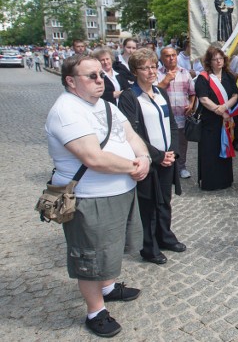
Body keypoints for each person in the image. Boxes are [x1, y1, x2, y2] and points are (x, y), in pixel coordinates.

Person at [46, 54, 150, 337]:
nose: (99, 79)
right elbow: (93, 157)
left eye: (101, 74)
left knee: (112, 246)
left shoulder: (106, 105)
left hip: (122, 190)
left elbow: (129, 134)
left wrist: (143, 157)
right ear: (70, 81)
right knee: (90, 255)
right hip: (91, 197)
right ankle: (95, 310)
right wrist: (133, 166)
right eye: (90, 76)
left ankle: (108, 287)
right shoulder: (66, 110)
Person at [118, 49, 186, 265]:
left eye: (153, 66)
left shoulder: (161, 93)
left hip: (167, 157)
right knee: (148, 204)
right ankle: (149, 246)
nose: (151, 71)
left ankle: (165, 236)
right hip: (148, 160)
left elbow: (172, 125)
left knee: (165, 201)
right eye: (145, 67)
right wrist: (156, 156)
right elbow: (133, 134)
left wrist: (173, 152)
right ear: (135, 71)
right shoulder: (129, 97)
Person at [194, 46, 238, 190]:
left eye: (220, 58)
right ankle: (210, 182)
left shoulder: (229, 75)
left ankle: (225, 180)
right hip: (210, 121)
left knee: (225, 148)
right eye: (215, 59)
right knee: (210, 150)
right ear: (209, 61)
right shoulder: (203, 77)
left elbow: (235, 95)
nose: (218, 61)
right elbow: (203, 99)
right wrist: (219, 110)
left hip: (226, 120)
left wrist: (225, 107)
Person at [157, 46, 197, 179]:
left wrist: (191, 104)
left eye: (173, 55)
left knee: (181, 142)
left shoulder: (184, 72)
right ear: (162, 58)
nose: (171, 58)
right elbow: (154, 92)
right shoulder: (157, 73)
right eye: (167, 56)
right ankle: (167, 167)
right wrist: (165, 80)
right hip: (163, 116)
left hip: (181, 115)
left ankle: (182, 166)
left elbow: (192, 93)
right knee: (164, 142)